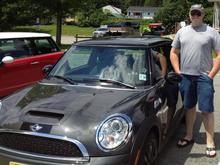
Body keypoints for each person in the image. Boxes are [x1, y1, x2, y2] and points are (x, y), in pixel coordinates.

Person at [170, 4, 220, 157]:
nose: (196, 15)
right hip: (186, 77)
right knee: (189, 107)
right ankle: (189, 135)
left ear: (203, 15)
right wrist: (178, 70)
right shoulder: (182, 32)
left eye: (198, 13)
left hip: (204, 78)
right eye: (193, 13)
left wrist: (211, 75)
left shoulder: (211, 32)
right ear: (189, 15)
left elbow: (219, 55)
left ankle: (210, 141)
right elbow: (173, 52)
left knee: (206, 110)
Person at [152, 49, 179, 137]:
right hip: (150, 81)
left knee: (171, 100)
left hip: (164, 79)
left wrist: (163, 77)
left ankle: (167, 127)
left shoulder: (151, 50)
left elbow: (162, 57)